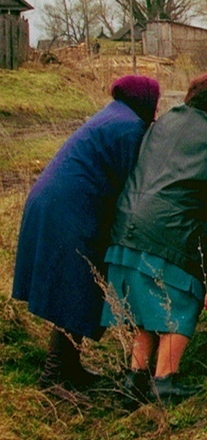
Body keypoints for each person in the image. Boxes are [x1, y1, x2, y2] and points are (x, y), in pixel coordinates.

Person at [101, 73, 207, 402]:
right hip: (170, 231)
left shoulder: (162, 123)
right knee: (181, 301)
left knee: (143, 307)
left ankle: (134, 378)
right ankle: (165, 380)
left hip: (127, 223)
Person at [12, 75, 160, 389]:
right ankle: (54, 377)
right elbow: (129, 184)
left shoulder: (113, 115)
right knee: (75, 288)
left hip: (55, 201)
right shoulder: (129, 127)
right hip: (68, 208)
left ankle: (68, 367)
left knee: (76, 287)